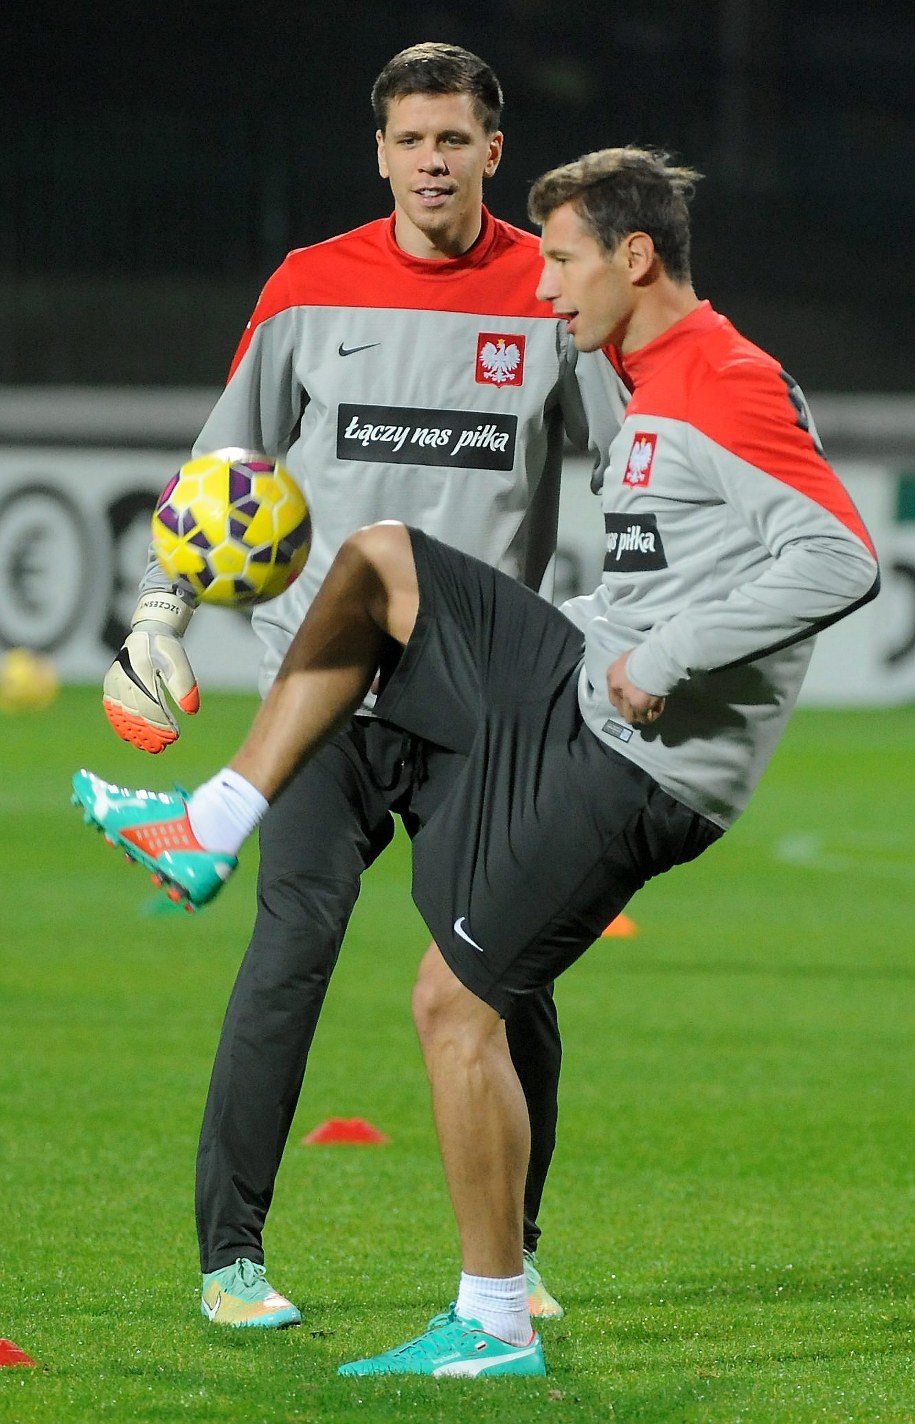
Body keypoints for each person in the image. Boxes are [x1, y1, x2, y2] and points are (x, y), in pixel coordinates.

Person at [75, 145, 880, 1377]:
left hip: (644, 756)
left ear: (634, 256)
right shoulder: (647, 369)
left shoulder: (724, 375)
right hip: (576, 689)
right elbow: (673, 549)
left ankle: (496, 1313)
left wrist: (667, 650)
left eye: (561, 260)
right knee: (381, 558)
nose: (545, 289)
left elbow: (838, 557)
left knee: (456, 1003)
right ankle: (215, 818)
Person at [99, 44, 625, 1329]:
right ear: (379, 153)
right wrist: (162, 606)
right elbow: (224, 463)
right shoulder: (307, 288)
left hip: (482, 701)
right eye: (410, 140)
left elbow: (633, 458)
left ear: (494, 153)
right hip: (322, 687)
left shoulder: (550, 294)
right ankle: (231, 1260)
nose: (432, 161)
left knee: (509, 981)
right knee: (292, 948)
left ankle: (517, 1246)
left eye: (455, 139)